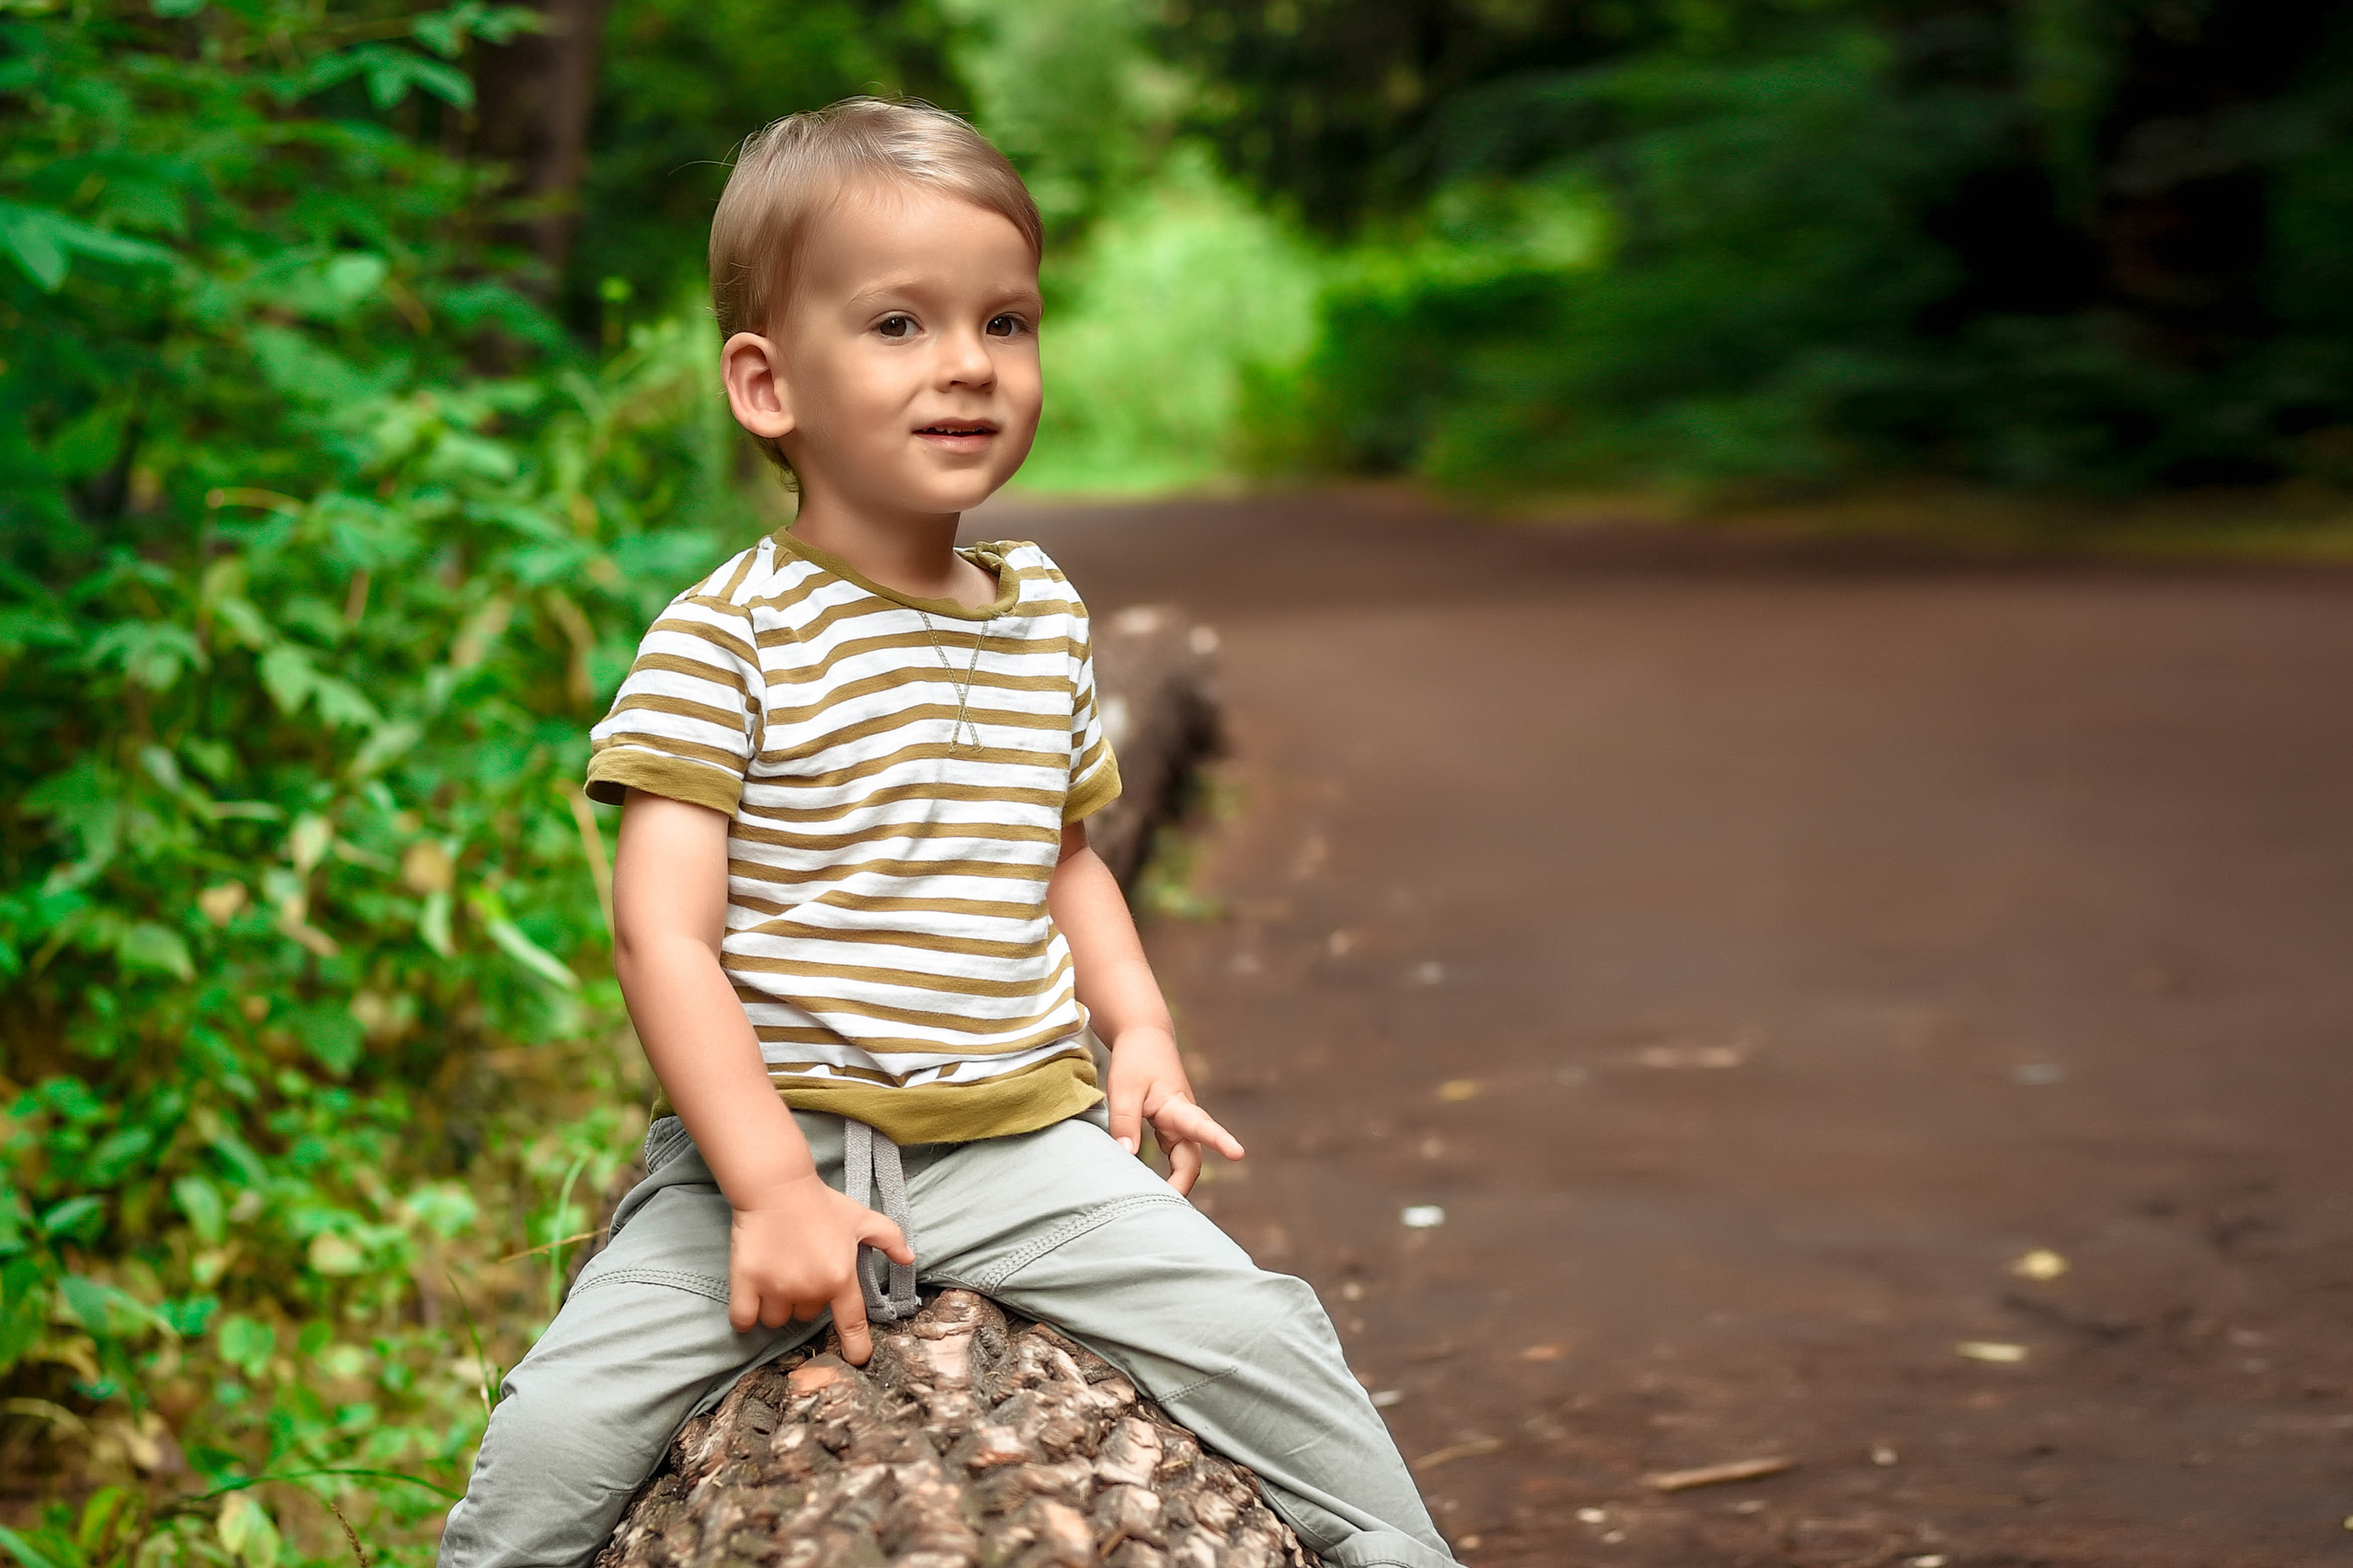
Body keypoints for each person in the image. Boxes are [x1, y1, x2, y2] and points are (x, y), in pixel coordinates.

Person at [437, 97, 1461, 1568]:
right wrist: (772, 1190)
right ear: (767, 383)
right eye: (901, 325)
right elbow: (661, 931)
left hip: (1022, 1144)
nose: (970, 362)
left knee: (1267, 1339)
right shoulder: (726, 636)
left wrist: (1142, 1032)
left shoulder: (1039, 610)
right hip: (768, 1141)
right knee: (546, 1447)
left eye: (1008, 321)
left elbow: (1062, 855)